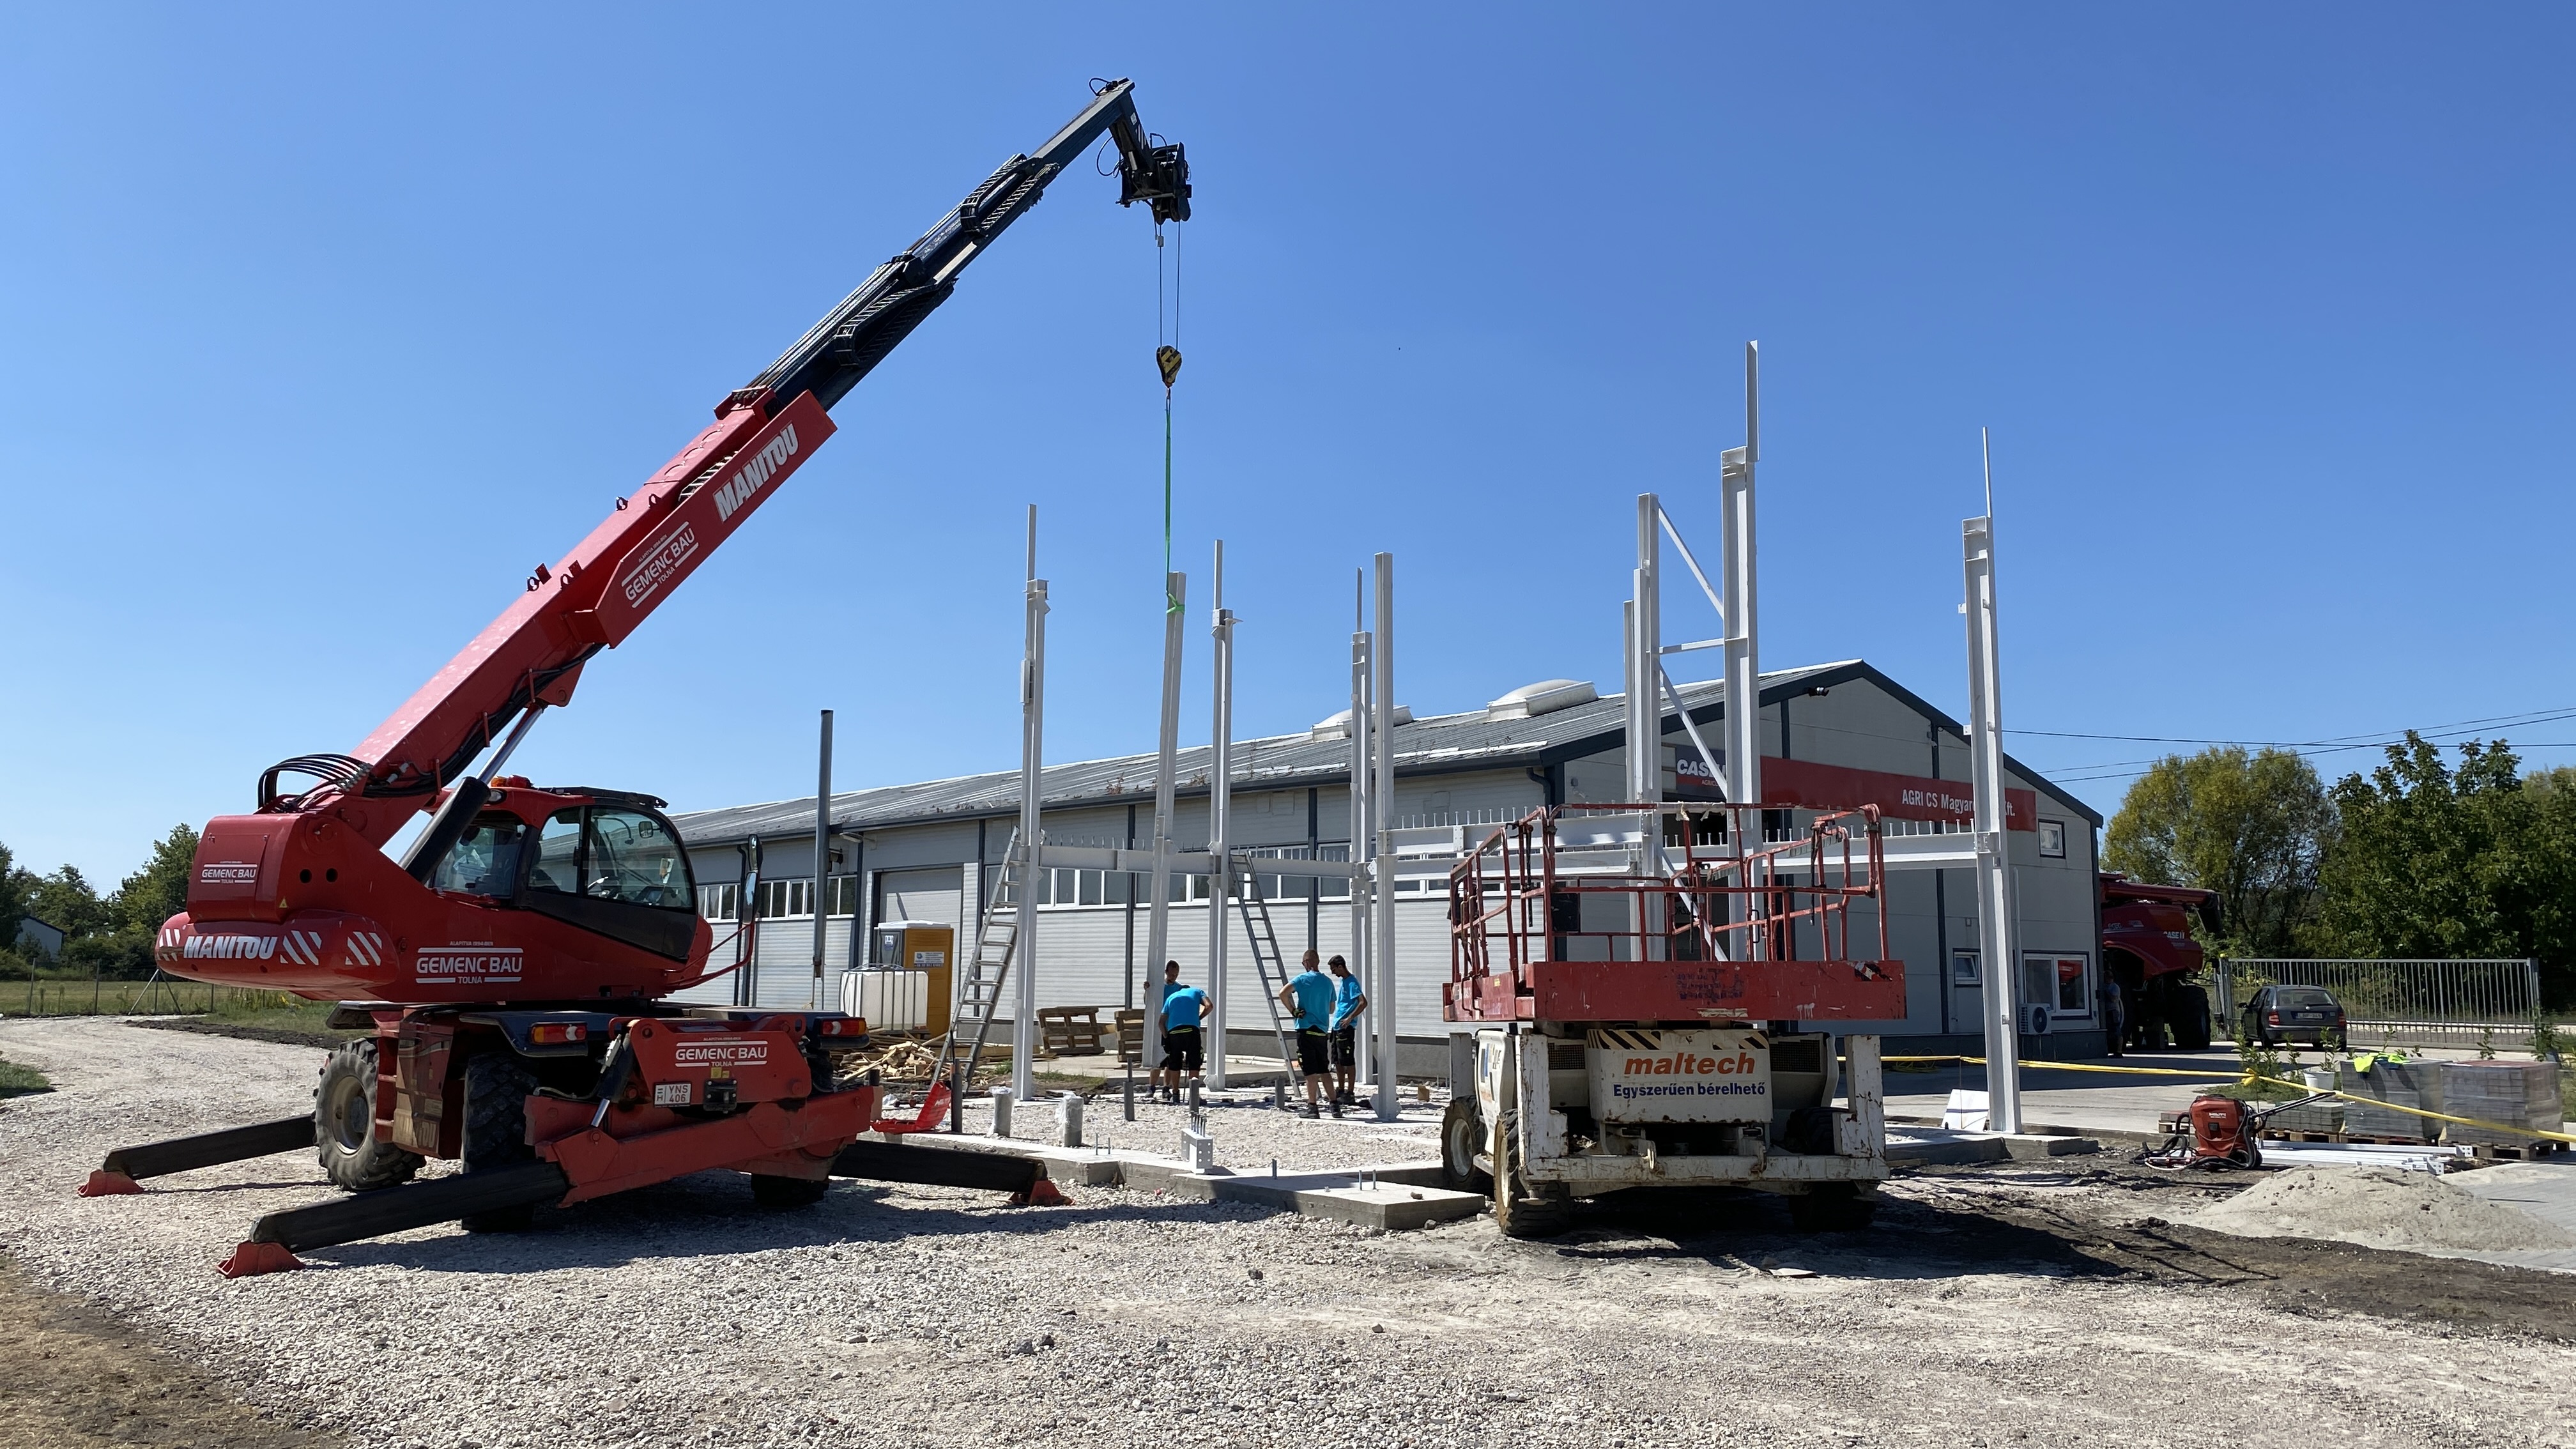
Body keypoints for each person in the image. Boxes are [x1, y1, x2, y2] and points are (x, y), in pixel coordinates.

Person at [1278, 949, 1339, 1117]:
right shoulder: (1328, 982)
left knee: (1310, 1072)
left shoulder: (1302, 979)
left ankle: (1312, 1107)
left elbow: (1283, 993)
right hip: (1322, 1030)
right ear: (1318, 961)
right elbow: (1331, 1009)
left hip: (1305, 1029)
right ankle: (1335, 1106)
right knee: (1324, 1070)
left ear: (1306, 962)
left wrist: (1294, 1011)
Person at [1154, 960, 1209, 1101]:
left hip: (1173, 1031)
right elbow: (1209, 1006)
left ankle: (1176, 1093)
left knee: (1174, 1063)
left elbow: (1161, 1023)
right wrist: (1199, 1018)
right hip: (1191, 1030)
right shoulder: (1197, 991)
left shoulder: (1172, 997)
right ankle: (1194, 1095)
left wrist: (1166, 1037)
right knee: (1194, 1062)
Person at [1326, 954, 1367, 1107]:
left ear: (1340, 967)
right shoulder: (1343, 981)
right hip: (1337, 1026)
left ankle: (1350, 1092)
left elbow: (1363, 1002)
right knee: (1337, 1060)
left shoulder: (1352, 982)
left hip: (1346, 1028)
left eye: (1334, 969)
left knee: (1348, 1060)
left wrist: (1350, 1018)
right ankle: (1341, 1090)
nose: (1333, 972)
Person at [2098, 974, 2128, 1058]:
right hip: (2106, 1011)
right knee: (2109, 1032)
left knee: (2117, 1031)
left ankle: (2119, 1051)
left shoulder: (2115, 987)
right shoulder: (2104, 985)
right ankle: (2111, 1050)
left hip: (2113, 1011)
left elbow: (2114, 999)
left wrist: (2106, 992)